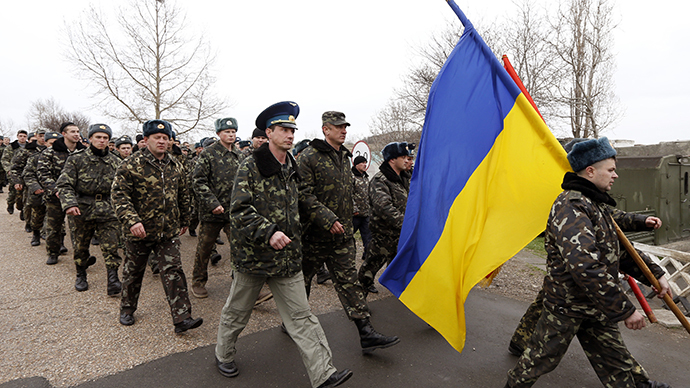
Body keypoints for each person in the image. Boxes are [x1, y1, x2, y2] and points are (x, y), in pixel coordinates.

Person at [504, 137, 672, 388]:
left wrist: (654, 275)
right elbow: (585, 266)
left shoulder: (595, 203)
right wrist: (624, 309)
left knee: (614, 357)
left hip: (595, 305)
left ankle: (638, 386)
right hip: (567, 306)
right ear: (590, 171)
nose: (615, 176)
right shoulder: (572, 207)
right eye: (611, 170)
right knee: (540, 359)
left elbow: (619, 252)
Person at [215, 101, 352, 388]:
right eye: (284, 129)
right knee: (237, 312)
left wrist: (323, 219)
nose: (290, 135)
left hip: (287, 257)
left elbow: (301, 201)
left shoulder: (291, 164)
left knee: (302, 317)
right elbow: (239, 211)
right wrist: (269, 232)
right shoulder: (250, 165)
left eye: (292, 129)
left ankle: (324, 373)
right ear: (269, 132)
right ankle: (223, 354)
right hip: (254, 257)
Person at [297, 110, 399, 353]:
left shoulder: (344, 156)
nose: (344, 130)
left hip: (341, 234)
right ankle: (293, 320)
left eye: (345, 126)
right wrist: (327, 219)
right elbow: (303, 194)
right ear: (326, 129)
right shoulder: (309, 157)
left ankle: (366, 332)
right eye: (338, 126)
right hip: (315, 234)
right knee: (303, 280)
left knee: (348, 281)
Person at [112, 119, 202, 334]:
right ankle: (127, 308)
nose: (162, 141)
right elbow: (119, 196)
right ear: (146, 140)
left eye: (165, 138)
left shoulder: (175, 164)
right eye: (157, 138)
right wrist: (132, 220)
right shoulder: (130, 165)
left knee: (174, 272)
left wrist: (185, 220)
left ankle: (182, 318)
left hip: (168, 231)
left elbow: (184, 194)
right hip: (139, 232)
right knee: (133, 272)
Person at [57, 124, 123, 295]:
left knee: (111, 245)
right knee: (80, 246)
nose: (102, 141)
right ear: (91, 138)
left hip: (108, 209)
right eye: (98, 137)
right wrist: (70, 204)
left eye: (105, 138)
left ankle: (113, 278)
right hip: (82, 208)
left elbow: (124, 187)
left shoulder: (116, 161)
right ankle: (81, 274)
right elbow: (64, 184)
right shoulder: (77, 159)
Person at [190, 117, 243, 298]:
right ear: (218, 134)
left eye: (233, 132)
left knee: (240, 248)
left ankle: (243, 286)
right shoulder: (208, 154)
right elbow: (198, 181)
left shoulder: (239, 155)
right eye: (227, 132)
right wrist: (213, 203)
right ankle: (198, 281)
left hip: (233, 211)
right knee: (204, 249)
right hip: (212, 212)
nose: (231, 135)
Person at [357, 142, 410, 296]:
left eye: (408, 157)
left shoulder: (404, 177)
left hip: (401, 233)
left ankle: (399, 290)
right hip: (384, 234)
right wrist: (407, 224)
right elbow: (384, 208)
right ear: (391, 160)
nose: (407, 160)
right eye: (403, 157)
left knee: (398, 265)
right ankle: (361, 294)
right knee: (371, 266)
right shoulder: (380, 180)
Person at [37, 122, 87, 265]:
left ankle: (80, 258)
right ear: (64, 134)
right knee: (54, 227)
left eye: (78, 131)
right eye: (72, 132)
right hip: (55, 197)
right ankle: (53, 252)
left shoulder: (84, 153)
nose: (76, 134)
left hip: (76, 198)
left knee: (78, 229)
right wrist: (56, 189)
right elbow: (43, 173)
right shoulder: (49, 152)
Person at [23, 132, 61, 246]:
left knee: (56, 220)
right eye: (51, 143)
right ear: (45, 143)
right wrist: (35, 187)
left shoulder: (64, 157)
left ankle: (58, 242)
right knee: (37, 216)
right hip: (39, 192)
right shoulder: (35, 157)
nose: (53, 146)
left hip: (55, 193)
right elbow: (28, 174)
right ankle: (36, 234)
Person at [11, 130, 47, 233]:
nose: (43, 138)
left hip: (46, 182)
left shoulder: (50, 150)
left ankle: (42, 230)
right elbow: (15, 168)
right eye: (40, 136)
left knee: (45, 207)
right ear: (36, 136)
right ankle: (29, 223)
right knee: (29, 205)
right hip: (29, 182)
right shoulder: (26, 151)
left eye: (44, 136)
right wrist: (17, 181)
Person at [351, 155, 372, 288]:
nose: (365, 165)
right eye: (362, 163)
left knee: (369, 239)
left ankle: (367, 256)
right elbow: (349, 194)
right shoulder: (351, 177)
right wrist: (354, 209)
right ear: (356, 164)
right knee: (347, 236)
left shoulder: (366, 177)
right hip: (355, 215)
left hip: (366, 215)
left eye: (365, 162)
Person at [2, 129, 28, 215]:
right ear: (17, 136)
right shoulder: (11, 147)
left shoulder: (29, 147)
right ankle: (10, 204)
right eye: (20, 136)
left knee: (25, 192)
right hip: (14, 172)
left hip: (26, 173)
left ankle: (23, 209)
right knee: (13, 191)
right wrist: (9, 170)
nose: (22, 138)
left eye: (24, 136)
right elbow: (5, 160)